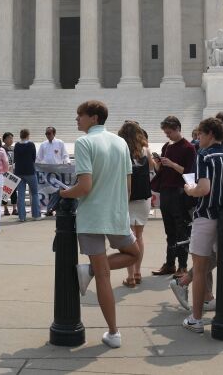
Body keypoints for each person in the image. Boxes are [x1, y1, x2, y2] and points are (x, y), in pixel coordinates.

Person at [60, 100, 138, 349]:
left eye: (79, 116)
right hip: (116, 214)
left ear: (93, 118)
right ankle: (111, 330)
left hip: (92, 216)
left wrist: (62, 194)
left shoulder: (84, 143)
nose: (76, 120)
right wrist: (121, 209)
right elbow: (128, 185)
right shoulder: (120, 142)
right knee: (133, 255)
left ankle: (114, 332)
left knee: (102, 274)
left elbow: (84, 186)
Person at [181, 117, 223, 333]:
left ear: (210, 134)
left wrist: (189, 190)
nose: (198, 138)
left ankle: (196, 318)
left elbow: (203, 189)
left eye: (200, 134)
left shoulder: (204, 156)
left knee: (200, 270)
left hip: (206, 215)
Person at [151, 116, 196, 278]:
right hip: (166, 190)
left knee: (181, 230)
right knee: (169, 230)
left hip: (180, 191)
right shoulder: (166, 146)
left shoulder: (188, 148)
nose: (167, 135)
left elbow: (190, 173)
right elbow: (160, 171)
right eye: (165, 132)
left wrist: (172, 164)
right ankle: (170, 264)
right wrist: (158, 163)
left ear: (177, 128)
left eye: (169, 132)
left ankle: (182, 266)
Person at [118, 121, 152, 288]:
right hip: (143, 198)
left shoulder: (121, 150)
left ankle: (130, 276)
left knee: (127, 238)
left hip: (127, 197)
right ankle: (138, 272)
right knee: (139, 236)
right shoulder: (146, 150)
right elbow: (152, 169)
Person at [37, 126, 69, 215]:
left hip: (58, 172)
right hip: (47, 172)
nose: (47, 135)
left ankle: (54, 209)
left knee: (57, 191)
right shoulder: (43, 144)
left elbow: (65, 155)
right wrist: (37, 165)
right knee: (48, 191)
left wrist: (67, 162)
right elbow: (39, 158)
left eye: (49, 133)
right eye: (46, 133)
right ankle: (49, 209)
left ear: (54, 134)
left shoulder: (60, 143)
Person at [13, 129, 40, 221]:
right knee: (35, 193)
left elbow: (15, 158)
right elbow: (34, 157)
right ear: (28, 135)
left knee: (21, 194)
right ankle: (36, 215)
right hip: (30, 171)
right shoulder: (31, 144)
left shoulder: (16, 145)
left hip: (19, 171)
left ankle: (22, 216)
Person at [1, 131, 15, 216]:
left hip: (13, 172)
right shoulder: (2, 149)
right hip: (4, 173)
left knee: (13, 191)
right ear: (5, 139)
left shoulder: (14, 148)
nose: (11, 140)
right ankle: (5, 209)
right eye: (9, 138)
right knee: (5, 191)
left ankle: (14, 208)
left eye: (12, 138)